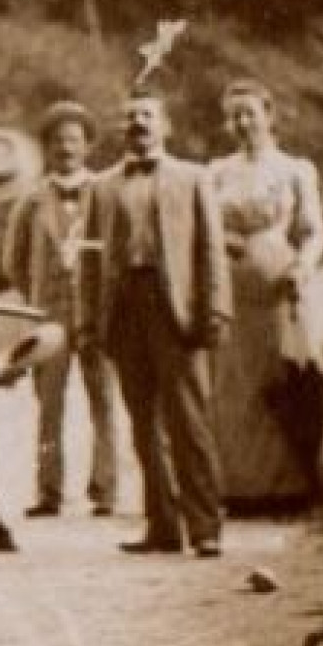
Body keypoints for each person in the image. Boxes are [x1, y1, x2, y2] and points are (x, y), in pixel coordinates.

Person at [79, 93, 230, 558]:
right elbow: (90, 259)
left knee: (188, 421)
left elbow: (210, 249)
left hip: (175, 309)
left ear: (165, 125)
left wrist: (215, 310)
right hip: (124, 308)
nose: (137, 123)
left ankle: (205, 528)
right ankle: (162, 526)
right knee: (142, 422)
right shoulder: (101, 187)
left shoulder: (193, 178)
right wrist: (87, 321)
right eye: (128, 117)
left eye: (146, 115)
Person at [206, 79, 323, 514]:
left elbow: (314, 231)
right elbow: (204, 227)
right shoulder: (218, 170)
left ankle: (289, 487)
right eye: (234, 115)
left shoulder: (296, 169)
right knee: (235, 383)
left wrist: (303, 266)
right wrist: (223, 239)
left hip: (278, 281)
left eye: (250, 114)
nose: (242, 123)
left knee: (282, 377)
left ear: (269, 114)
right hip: (231, 285)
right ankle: (239, 488)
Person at [2, 101, 117, 518]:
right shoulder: (31, 201)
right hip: (49, 315)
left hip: (97, 311)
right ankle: (49, 490)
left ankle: (105, 489)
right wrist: (37, 293)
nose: (66, 148)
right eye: (57, 140)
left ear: (87, 146)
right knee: (48, 402)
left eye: (74, 139)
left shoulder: (106, 192)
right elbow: (12, 260)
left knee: (102, 398)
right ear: (47, 148)